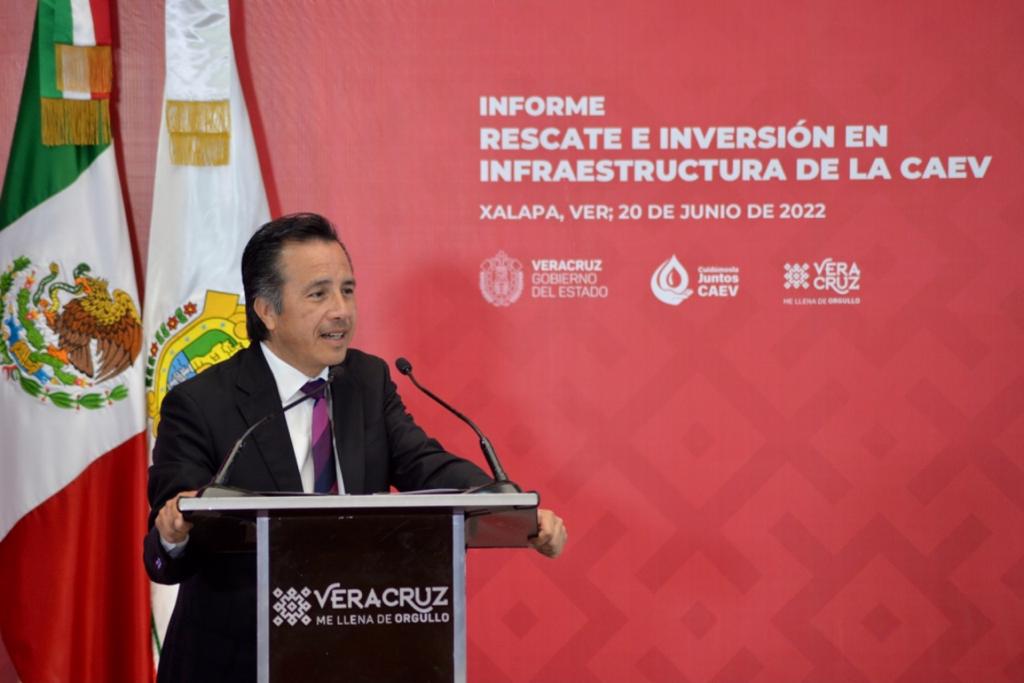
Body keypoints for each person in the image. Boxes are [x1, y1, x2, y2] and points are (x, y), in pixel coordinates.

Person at [144, 213, 567, 682]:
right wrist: (174, 531)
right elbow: (168, 543)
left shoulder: (367, 380)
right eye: (318, 294)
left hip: (354, 652)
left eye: (347, 290)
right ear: (267, 310)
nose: (342, 311)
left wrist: (509, 508)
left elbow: (424, 464)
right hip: (236, 663)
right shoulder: (200, 403)